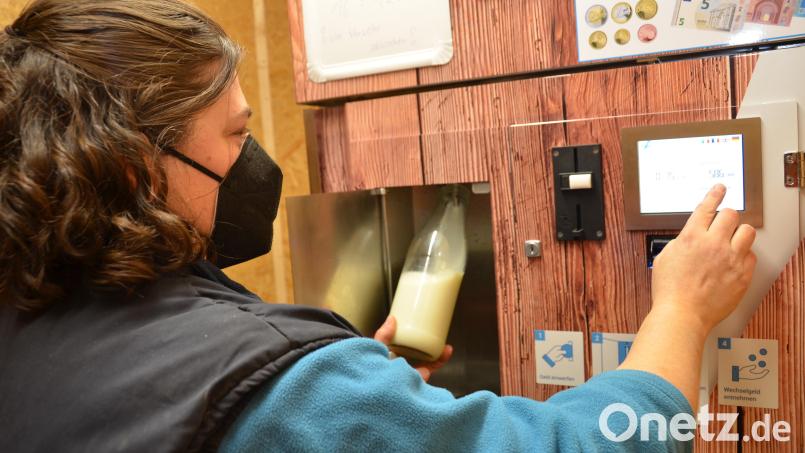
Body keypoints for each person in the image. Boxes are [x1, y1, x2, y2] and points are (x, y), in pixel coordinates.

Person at [0, 1, 756, 452]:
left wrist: (361, 401)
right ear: (135, 166)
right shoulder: (272, 387)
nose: (252, 161)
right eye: (233, 137)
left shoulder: (28, 317)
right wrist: (681, 312)